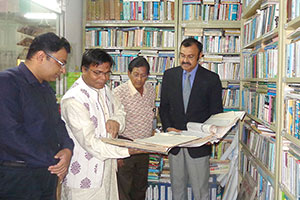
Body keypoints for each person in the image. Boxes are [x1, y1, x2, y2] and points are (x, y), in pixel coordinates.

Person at [0, 32, 74, 200]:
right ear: (41, 56)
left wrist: (67, 149)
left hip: (46, 172)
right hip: (18, 177)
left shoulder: (45, 88)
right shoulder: (6, 83)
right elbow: (10, 135)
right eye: (60, 63)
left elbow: (57, 123)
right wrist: (53, 161)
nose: (62, 70)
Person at [60, 49, 141, 200]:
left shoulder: (104, 89)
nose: (103, 78)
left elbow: (121, 111)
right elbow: (91, 143)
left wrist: (116, 120)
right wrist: (128, 151)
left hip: (107, 171)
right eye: (97, 73)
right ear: (84, 69)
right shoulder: (73, 100)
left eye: (107, 73)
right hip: (83, 176)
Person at [159, 38, 223, 200]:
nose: (185, 60)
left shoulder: (211, 79)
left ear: (200, 56)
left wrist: (211, 135)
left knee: (201, 191)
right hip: (176, 142)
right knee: (177, 190)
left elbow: (216, 113)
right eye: (182, 55)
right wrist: (167, 128)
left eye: (190, 56)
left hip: (199, 143)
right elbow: (164, 107)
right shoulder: (169, 75)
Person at [114, 56, 156, 200]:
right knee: (124, 189)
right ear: (129, 73)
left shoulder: (150, 90)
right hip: (126, 146)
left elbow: (151, 114)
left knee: (140, 187)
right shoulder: (119, 93)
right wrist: (117, 154)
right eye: (136, 75)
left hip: (144, 147)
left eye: (143, 75)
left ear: (148, 75)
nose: (139, 79)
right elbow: (113, 122)